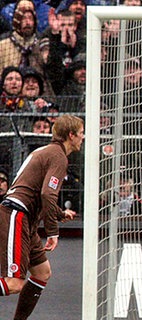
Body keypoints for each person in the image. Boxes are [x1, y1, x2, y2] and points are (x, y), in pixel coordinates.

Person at [0, 114, 81, 319]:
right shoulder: (58, 156)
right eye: (81, 133)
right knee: (14, 283)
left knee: (42, 272)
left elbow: (40, 193)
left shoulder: (47, 151)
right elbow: (47, 193)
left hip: (27, 219)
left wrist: (60, 213)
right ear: (71, 135)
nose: (83, 137)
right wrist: (53, 231)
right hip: (16, 214)